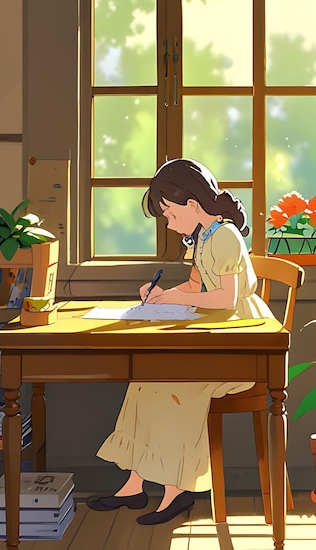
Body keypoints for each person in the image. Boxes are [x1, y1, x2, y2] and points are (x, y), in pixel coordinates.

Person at [87, 158, 273, 525]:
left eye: (170, 214)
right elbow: (195, 285)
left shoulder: (225, 236)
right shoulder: (203, 236)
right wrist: (161, 295)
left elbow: (224, 298)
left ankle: (177, 491)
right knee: (145, 379)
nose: (169, 224)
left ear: (191, 204)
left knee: (174, 386)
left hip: (240, 341)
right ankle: (134, 484)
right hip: (216, 333)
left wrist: (172, 300)